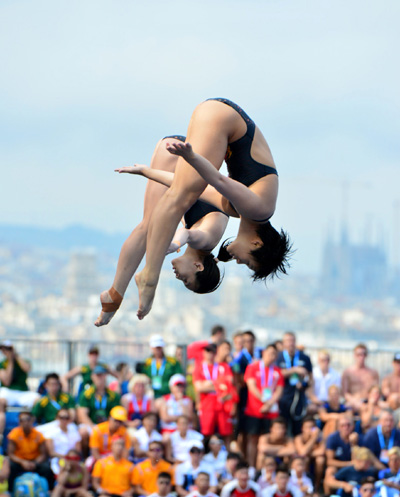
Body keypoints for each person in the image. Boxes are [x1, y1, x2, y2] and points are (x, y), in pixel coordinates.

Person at [133, 98, 291, 320]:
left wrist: (147, 172)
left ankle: (150, 273)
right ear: (257, 243)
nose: (238, 261)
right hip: (222, 118)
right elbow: (218, 180)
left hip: (218, 114)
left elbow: (201, 188)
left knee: (180, 192)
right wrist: (192, 158)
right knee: (175, 200)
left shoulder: (239, 211)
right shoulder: (260, 210)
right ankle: (150, 276)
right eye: (246, 261)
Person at [95, 132, 229, 326]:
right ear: (198, 266)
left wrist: (146, 172)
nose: (179, 278)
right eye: (186, 280)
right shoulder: (208, 240)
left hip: (185, 155)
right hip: (179, 154)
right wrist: (173, 244)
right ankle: (114, 296)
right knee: (148, 226)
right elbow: (187, 233)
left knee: (150, 225)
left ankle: (114, 296)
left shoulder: (207, 240)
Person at [244, 343, 284, 468]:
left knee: (268, 439)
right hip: (254, 409)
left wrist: (269, 403)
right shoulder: (253, 367)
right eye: (269, 353)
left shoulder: (277, 371)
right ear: (264, 353)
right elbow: (251, 386)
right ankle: (251, 466)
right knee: (253, 439)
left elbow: (279, 390)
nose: (271, 356)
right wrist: (263, 400)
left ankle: (265, 468)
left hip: (271, 411)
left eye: (274, 354)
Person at [193, 343, 235, 445]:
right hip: (207, 405)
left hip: (223, 406)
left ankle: (226, 457)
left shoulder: (223, 367)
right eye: (207, 351)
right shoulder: (199, 368)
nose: (210, 354)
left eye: (212, 351)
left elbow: (229, 384)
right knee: (206, 433)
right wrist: (219, 384)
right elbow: (199, 387)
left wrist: (210, 384)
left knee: (226, 434)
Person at [7, 411, 55, 492]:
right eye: (22, 420)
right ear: (19, 422)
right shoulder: (14, 434)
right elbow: (10, 454)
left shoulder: (38, 435)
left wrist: (35, 463)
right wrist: (22, 462)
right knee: (11, 467)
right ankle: (11, 491)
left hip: (34, 461)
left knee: (47, 469)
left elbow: (43, 454)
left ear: (32, 421)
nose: (25, 422)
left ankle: (49, 491)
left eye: (27, 419)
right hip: (20, 461)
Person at [276, 332, 313, 436]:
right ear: (283, 343)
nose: (290, 343)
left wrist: (304, 384)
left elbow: (310, 378)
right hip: (283, 398)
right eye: (287, 341)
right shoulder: (279, 357)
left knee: (298, 429)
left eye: (292, 340)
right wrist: (294, 370)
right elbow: (277, 374)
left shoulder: (304, 357)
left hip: (299, 398)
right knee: (282, 429)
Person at [0, 341, 39, 438]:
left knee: (38, 401)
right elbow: (7, 381)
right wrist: (10, 362)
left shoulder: (23, 361)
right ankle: (0, 434)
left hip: (23, 392)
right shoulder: (2, 364)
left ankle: (35, 429)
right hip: (8, 391)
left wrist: (15, 356)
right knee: (0, 403)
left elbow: (27, 368)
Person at [341, 344, 379, 411]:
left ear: (366, 355)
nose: (361, 357)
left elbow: (377, 390)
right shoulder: (348, 372)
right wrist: (355, 401)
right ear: (354, 355)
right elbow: (345, 393)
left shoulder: (373, 373)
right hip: (354, 402)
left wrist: (372, 401)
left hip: (369, 401)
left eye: (363, 354)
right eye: (358, 354)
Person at [45, 408, 82, 475]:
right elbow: (51, 453)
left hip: (74, 459)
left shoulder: (74, 431)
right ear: (57, 418)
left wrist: (71, 458)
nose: (64, 420)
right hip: (59, 459)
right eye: (61, 417)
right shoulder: (51, 433)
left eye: (66, 418)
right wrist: (66, 457)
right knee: (64, 468)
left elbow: (78, 450)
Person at [293, 416, 325, 492]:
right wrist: (313, 438)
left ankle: (317, 486)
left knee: (320, 460)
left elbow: (322, 451)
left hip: (314, 459)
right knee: (305, 459)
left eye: (312, 427)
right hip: (303, 461)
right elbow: (302, 453)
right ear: (302, 429)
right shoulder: (299, 438)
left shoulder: (320, 437)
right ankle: (305, 484)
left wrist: (308, 453)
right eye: (307, 427)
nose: (310, 430)